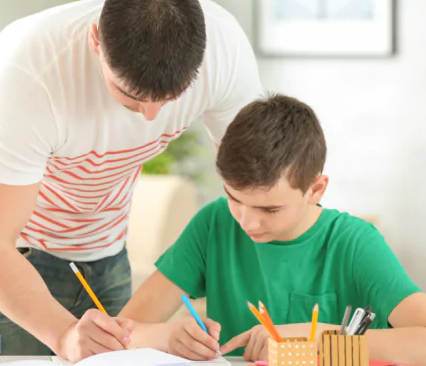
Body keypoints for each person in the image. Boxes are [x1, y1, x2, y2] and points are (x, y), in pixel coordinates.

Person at [0, 0, 262, 360]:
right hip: (1, 254)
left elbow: (256, 180)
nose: (152, 115)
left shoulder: (223, 48)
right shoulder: (30, 70)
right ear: (96, 41)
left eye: (171, 97)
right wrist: (63, 335)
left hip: (101, 245)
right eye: (133, 97)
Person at [118, 94, 426, 365]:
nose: (248, 222)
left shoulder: (355, 243)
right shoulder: (215, 224)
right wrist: (167, 336)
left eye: (270, 209)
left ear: (315, 190)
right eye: (234, 199)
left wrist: (322, 337)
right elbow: (124, 330)